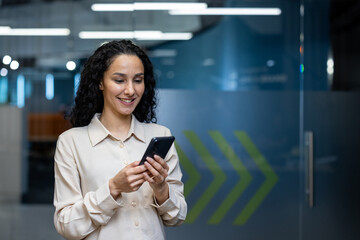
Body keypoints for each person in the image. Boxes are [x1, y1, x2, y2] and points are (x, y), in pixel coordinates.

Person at [53, 40, 187, 240]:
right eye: (119, 80)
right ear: (100, 82)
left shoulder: (161, 135)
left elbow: (177, 217)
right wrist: (113, 188)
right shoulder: (71, 142)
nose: (131, 91)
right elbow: (67, 225)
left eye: (138, 80)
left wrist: (161, 188)